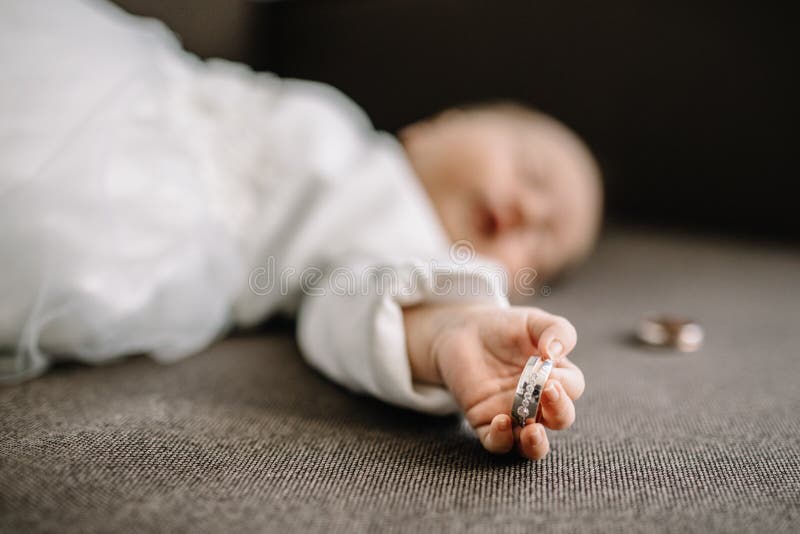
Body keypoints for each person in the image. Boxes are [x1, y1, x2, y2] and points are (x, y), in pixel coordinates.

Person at [0, 0, 601, 460]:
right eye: (531, 172)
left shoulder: (403, 240)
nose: (527, 208)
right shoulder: (353, 134)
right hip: (130, 87)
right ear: (440, 125)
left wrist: (454, 329)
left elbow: (368, 293)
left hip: (126, 219)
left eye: (542, 244)